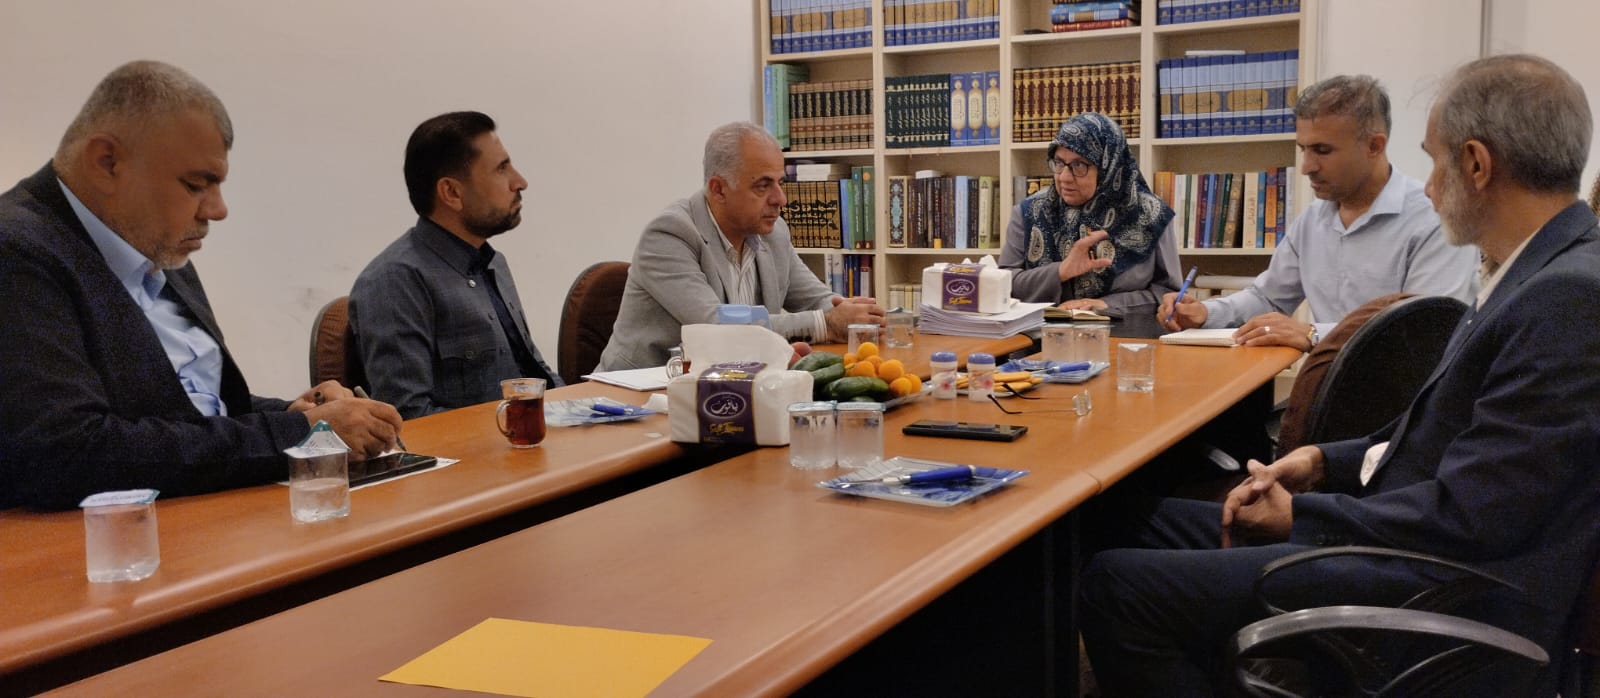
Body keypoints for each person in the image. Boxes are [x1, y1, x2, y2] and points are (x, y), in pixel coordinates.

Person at [1079, 54, 1600, 697]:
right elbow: (1437, 431)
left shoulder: (1566, 299)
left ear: (1475, 164)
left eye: (1435, 161)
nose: (1430, 186)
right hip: (1403, 531)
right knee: (1116, 517)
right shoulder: (1538, 271)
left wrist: (1303, 516)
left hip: (1431, 581)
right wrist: (1322, 461)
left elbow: (1473, 517)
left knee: (1115, 588)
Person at [0, 61, 402, 510]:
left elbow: (190, 411)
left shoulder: (154, 241)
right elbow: (68, 452)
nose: (217, 209)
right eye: (195, 185)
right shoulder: (15, 253)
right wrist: (300, 434)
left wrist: (291, 412)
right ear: (106, 162)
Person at [1158, 75, 1478, 351]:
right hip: (1329, 385)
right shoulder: (1313, 220)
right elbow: (1268, 298)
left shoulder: (1432, 220)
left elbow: (1424, 330)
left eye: (1322, 150)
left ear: (1374, 146)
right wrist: (1205, 313)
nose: (1307, 167)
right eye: (1303, 149)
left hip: (1406, 396)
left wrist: (1314, 334)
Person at [597, 122, 883, 371]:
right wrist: (825, 324)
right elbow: (716, 326)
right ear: (719, 189)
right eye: (763, 185)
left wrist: (855, 315)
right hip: (638, 395)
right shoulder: (670, 235)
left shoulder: (773, 233)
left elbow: (816, 300)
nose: (780, 199)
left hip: (731, 385)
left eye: (780, 182)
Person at [348, 112, 561, 419]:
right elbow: (409, 417)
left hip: (534, 438)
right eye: (501, 169)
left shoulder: (493, 262)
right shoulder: (395, 281)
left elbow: (533, 374)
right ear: (451, 193)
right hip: (482, 449)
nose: (520, 182)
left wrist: (581, 411)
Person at [1000, 112, 1183, 316]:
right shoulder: (1029, 212)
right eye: (1059, 163)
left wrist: (1105, 305)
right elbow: (1003, 285)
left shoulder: (1150, 214)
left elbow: (1169, 295)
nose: (1064, 177)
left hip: (1124, 332)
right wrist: (1060, 272)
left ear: (1108, 166)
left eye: (1079, 165)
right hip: (1041, 332)